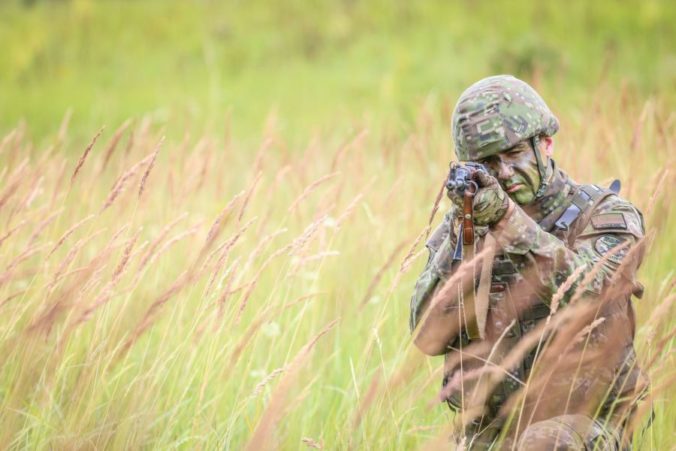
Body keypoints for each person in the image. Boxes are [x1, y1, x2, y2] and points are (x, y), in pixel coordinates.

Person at [409, 75, 648, 450]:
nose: (504, 172)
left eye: (515, 152)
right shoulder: (466, 228)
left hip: (587, 426)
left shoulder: (604, 216)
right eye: (488, 162)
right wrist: (465, 235)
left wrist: (507, 221)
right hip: (491, 431)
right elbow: (427, 336)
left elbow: (592, 294)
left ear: (546, 144)